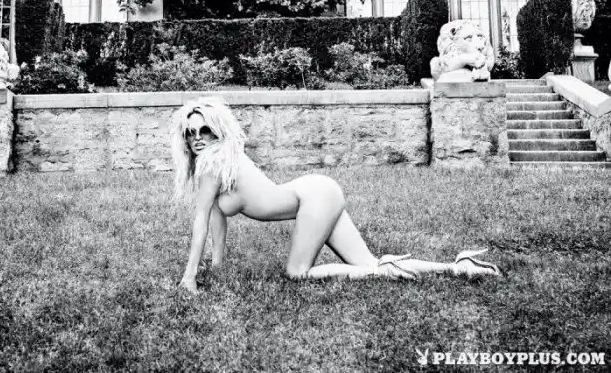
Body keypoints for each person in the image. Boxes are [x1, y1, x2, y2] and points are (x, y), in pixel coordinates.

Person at [171, 97, 501, 294]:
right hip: (318, 192)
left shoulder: (214, 164)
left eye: (205, 130)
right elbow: (215, 219)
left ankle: (383, 271)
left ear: (218, 131)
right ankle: (456, 266)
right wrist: (217, 266)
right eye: (190, 132)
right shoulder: (221, 162)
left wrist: (189, 277)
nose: (197, 138)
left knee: (297, 273)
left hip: (313, 197)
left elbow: (200, 221)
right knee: (367, 261)